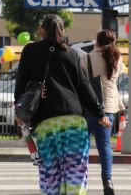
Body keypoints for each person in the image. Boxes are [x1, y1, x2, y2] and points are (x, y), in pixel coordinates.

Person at [15, 14, 111, 195]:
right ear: (62, 31)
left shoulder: (30, 51)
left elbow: (20, 84)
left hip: (47, 123)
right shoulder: (71, 54)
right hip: (74, 122)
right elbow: (85, 87)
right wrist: (100, 114)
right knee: (76, 174)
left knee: (50, 174)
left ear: (41, 30)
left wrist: (20, 113)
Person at [80, 30, 125, 195]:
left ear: (96, 42)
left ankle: (79, 180)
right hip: (108, 109)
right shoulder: (118, 59)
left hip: (89, 108)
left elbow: (81, 83)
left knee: (83, 145)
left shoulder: (86, 58)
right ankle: (107, 181)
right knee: (105, 145)